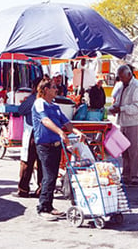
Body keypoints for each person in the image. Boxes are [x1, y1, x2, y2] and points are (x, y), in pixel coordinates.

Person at [32, 78, 85, 221]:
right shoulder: (39, 103)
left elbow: (66, 122)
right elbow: (45, 121)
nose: (56, 90)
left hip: (56, 145)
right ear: (46, 89)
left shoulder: (54, 106)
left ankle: (49, 206)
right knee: (48, 177)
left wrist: (76, 131)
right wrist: (60, 132)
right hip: (44, 146)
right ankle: (43, 207)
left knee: (53, 176)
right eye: (54, 87)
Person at [108, 65, 138, 186]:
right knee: (125, 151)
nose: (121, 79)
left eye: (123, 77)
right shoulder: (123, 85)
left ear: (129, 75)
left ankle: (136, 176)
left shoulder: (137, 86)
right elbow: (119, 101)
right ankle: (126, 175)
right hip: (123, 121)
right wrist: (113, 108)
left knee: (133, 150)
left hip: (134, 122)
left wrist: (121, 109)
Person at [12, 78, 42, 198]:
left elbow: (21, 110)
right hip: (43, 134)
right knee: (41, 163)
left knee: (27, 162)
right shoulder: (48, 100)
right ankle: (41, 189)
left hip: (32, 134)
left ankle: (23, 189)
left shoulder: (33, 99)